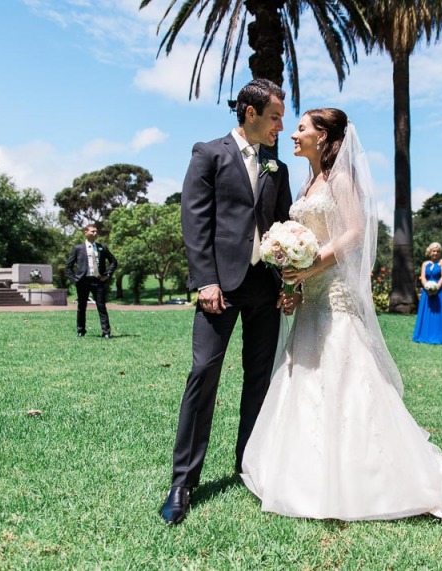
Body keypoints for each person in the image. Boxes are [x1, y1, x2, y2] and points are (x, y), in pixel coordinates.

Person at [240, 108, 442, 523]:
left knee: (345, 378)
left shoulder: (341, 180)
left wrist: (311, 266)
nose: (293, 134)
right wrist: (295, 282)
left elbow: (353, 232)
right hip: (311, 296)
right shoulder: (309, 183)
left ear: (325, 137)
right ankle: (299, 473)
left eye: (302, 128)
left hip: (336, 297)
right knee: (306, 379)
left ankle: (369, 478)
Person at [159, 79, 293, 525]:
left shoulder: (278, 166)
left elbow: (284, 223)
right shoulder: (209, 154)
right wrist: (206, 282)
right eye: (275, 116)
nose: (280, 125)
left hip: (265, 287)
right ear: (250, 113)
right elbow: (195, 221)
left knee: (260, 380)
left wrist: (289, 276)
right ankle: (183, 481)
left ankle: (248, 466)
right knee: (204, 373)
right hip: (221, 287)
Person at [65, 224, 118, 338]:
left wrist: (107, 274)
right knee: (81, 307)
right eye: (92, 231)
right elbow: (68, 266)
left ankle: (106, 332)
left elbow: (114, 262)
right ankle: (81, 331)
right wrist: (73, 279)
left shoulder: (102, 247)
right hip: (82, 281)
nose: (95, 233)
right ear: (86, 232)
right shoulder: (78, 248)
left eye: (96, 232)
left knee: (101, 307)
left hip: (98, 281)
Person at [412, 242, 442, 345]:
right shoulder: (425, 264)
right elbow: (423, 277)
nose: (435, 253)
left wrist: (436, 288)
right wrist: (427, 287)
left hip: (440, 293)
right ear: (430, 251)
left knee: (438, 315)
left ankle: (440, 336)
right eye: (433, 251)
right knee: (426, 314)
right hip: (427, 293)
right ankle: (424, 335)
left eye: (437, 251)